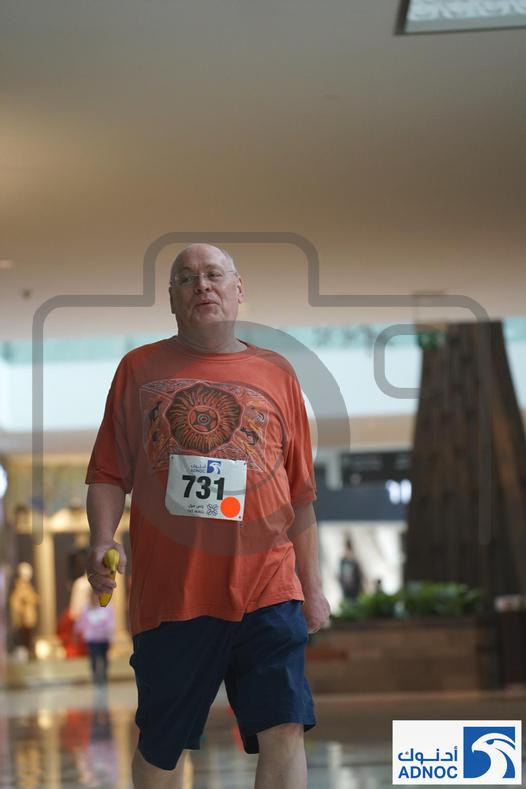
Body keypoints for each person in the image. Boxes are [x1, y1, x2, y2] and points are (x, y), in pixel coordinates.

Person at [85, 243, 331, 789]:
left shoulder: (277, 372)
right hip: (174, 594)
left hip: (269, 588)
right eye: (187, 278)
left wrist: (311, 587)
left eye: (214, 275)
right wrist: (102, 537)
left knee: (285, 726)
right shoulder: (138, 369)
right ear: (172, 298)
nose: (202, 285)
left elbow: (301, 495)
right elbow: (106, 472)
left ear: (238, 290)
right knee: (162, 746)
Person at [74, 589, 115, 683]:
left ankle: (104, 674)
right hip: (91, 638)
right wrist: (77, 631)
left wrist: (110, 634)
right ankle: (95, 674)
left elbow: (111, 622)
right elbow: (81, 621)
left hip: (103, 638)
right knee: (93, 657)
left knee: (103, 657)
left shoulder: (107, 606)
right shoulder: (86, 607)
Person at [338, 536, 363, 602]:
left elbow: (358, 574)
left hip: (353, 587)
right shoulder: (344, 560)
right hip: (347, 587)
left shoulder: (352, 560)